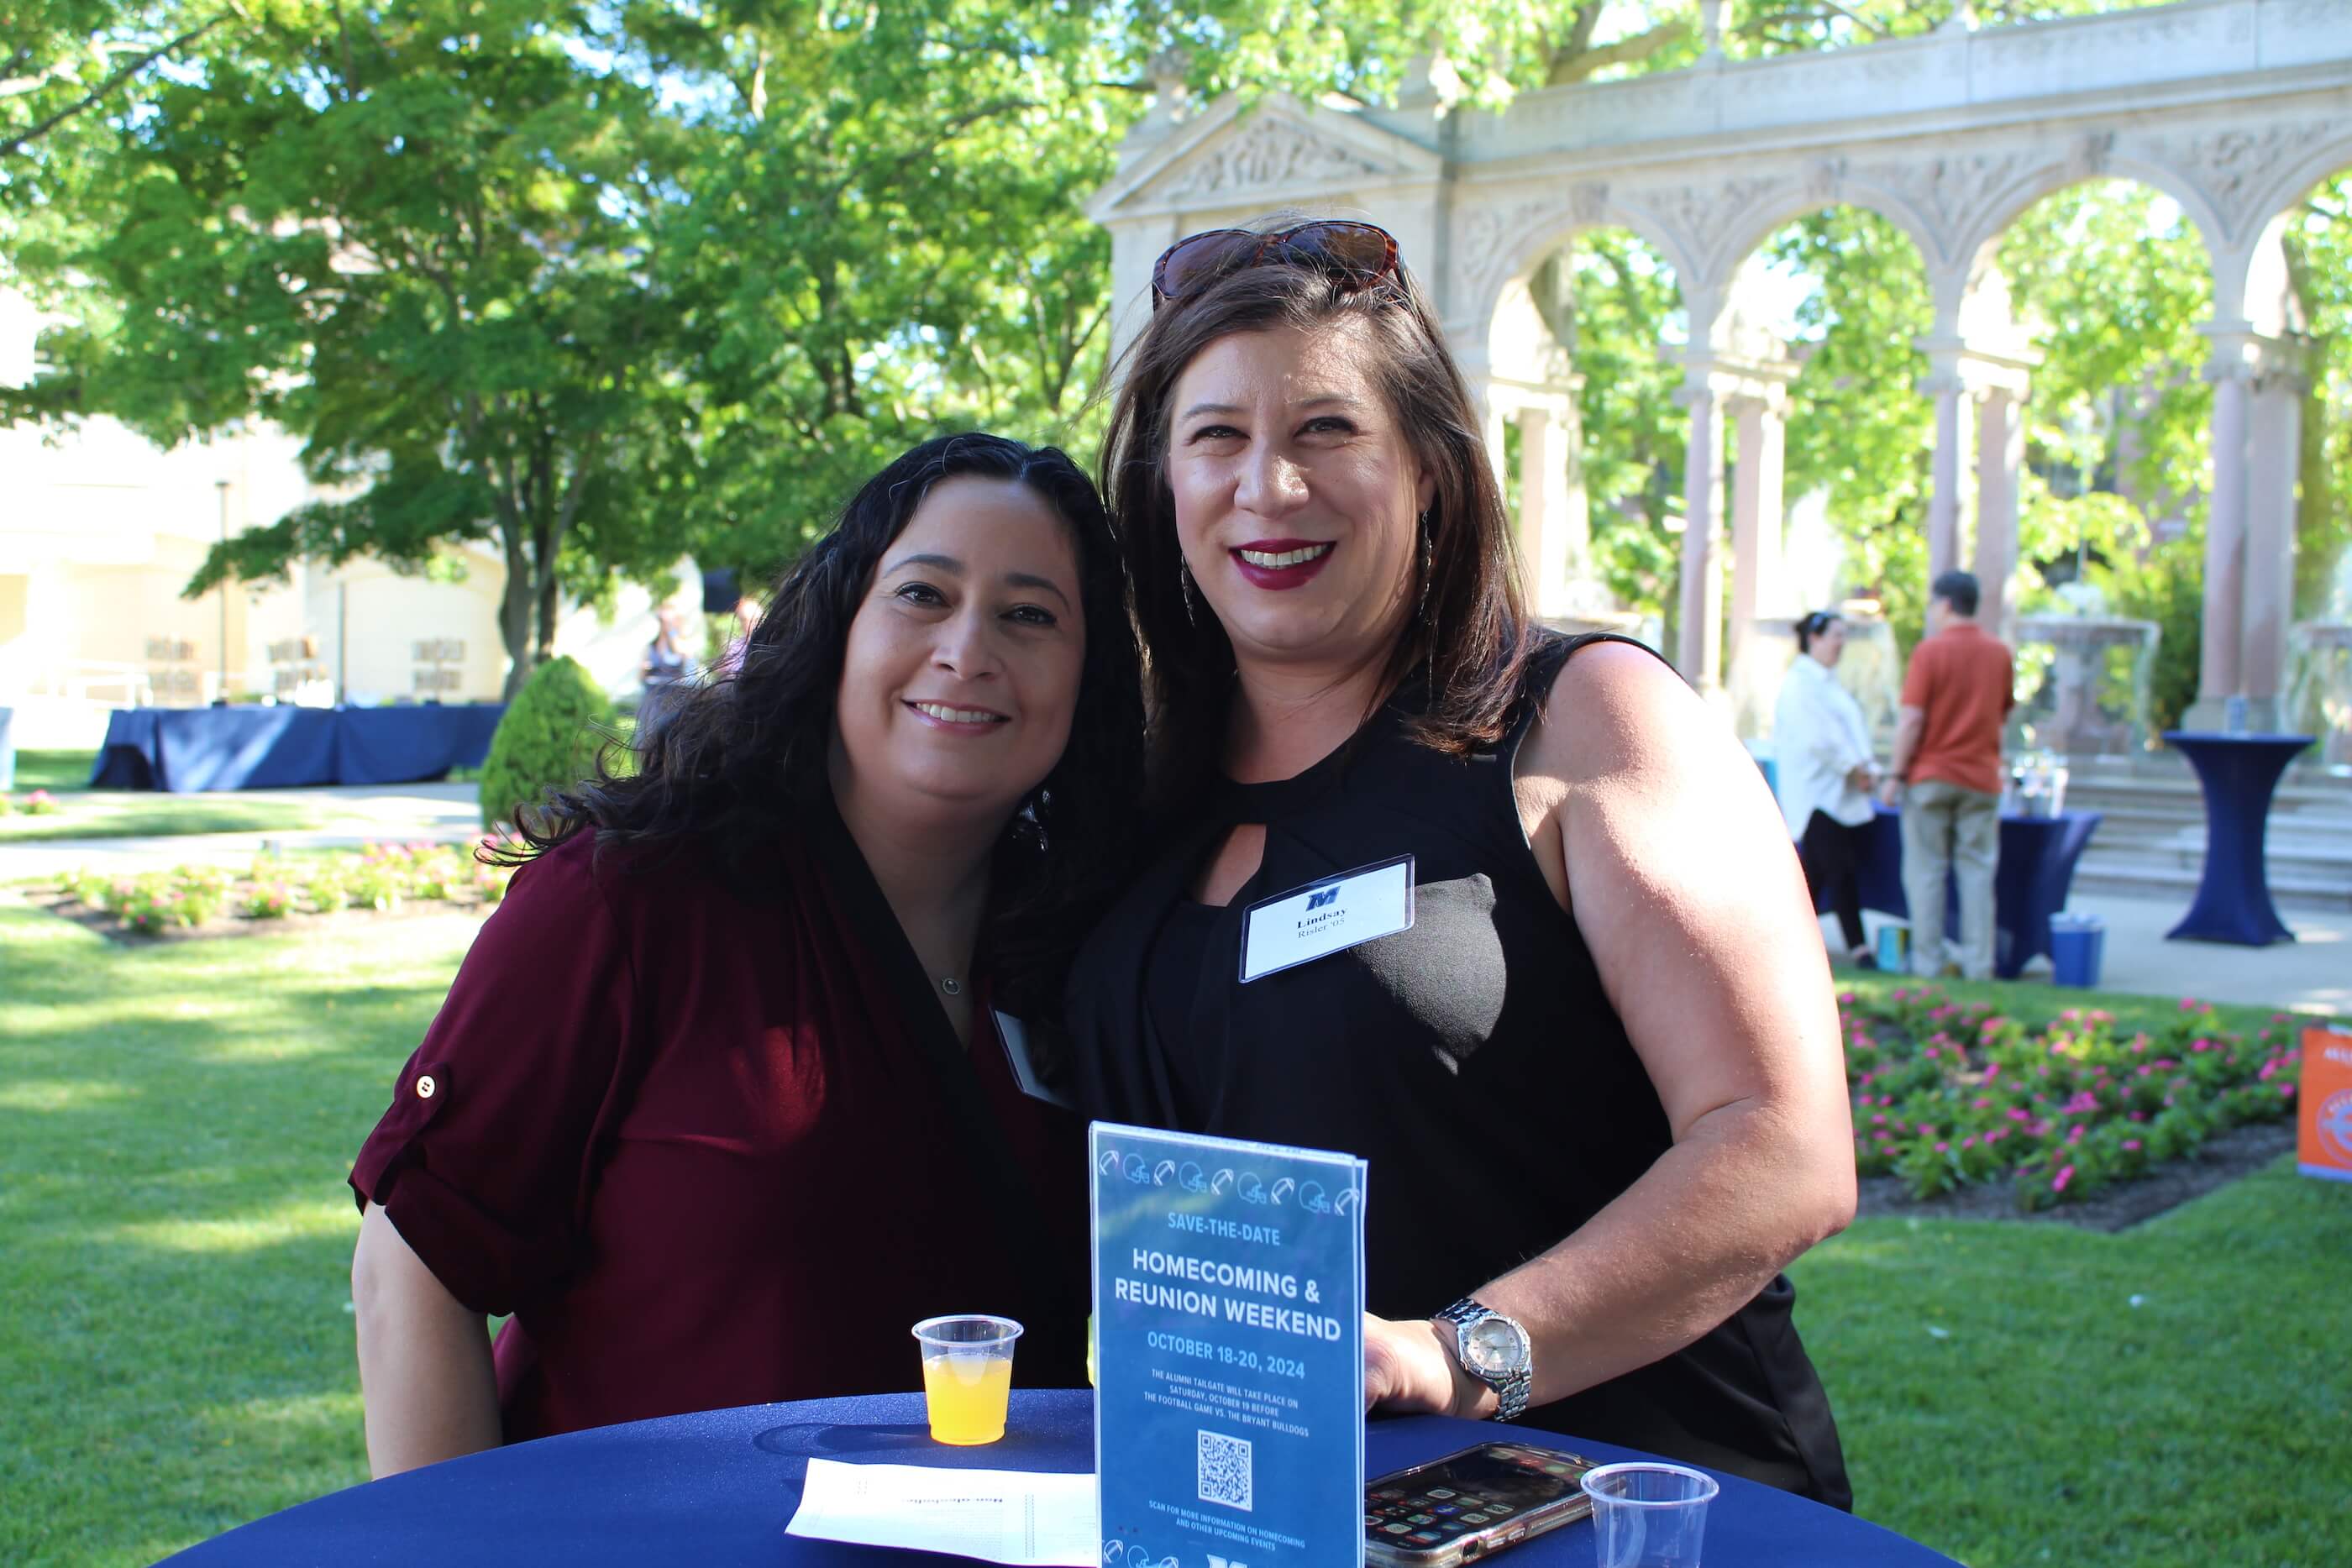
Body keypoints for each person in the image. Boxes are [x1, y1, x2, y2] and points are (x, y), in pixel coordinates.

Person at [1068, 218, 1856, 1505]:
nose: (1268, 485)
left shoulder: (1578, 714)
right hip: (1285, 1511)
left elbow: (1782, 1144)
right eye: (1217, 436)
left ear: (1430, 467)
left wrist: (1459, 1353)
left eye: (1327, 429)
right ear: (1163, 479)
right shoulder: (1136, 787)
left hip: (1631, 1500)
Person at [347, 433, 1142, 1476]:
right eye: (922, 595)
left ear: (1088, 679)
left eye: (1029, 614)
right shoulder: (634, 898)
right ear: (839, 626)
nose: (968, 649)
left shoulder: (1094, 949)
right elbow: (412, 1269)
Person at [1877, 570, 2013, 980]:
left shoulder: (1930, 652)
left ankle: (1928, 963)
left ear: (1947, 604)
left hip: (1931, 776)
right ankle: (1979, 964)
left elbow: (1912, 720)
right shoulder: (1999, 654)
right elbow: (2003, 715)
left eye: (1934, 604)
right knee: (1976, 874)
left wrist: (1895, 774)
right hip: (1981, 778)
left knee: (1927, 873)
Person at [1774, 610, 1878, 968]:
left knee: (1817, 877)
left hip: (1838, 794)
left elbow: (1850, 733)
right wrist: (1855, 768)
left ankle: (1789, 946)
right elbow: (1820, 738)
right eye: (1836, 635)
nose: (1841, 643)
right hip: (1817, 794)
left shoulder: (1827, 683)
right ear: (1814, 638)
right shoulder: (1800, 684)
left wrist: (1866, 768)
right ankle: (1859, 948)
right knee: (1837, 871)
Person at [636, 604, 695, 738]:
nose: (665, 624)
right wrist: (645, 669)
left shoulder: (683, 644)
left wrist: (672, 635)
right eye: (662, 621)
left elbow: (685, 659)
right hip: (653, 698)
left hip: (674, 700)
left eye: (668, 621)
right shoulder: (651, 646)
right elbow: (640, 678)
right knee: (648, 737)